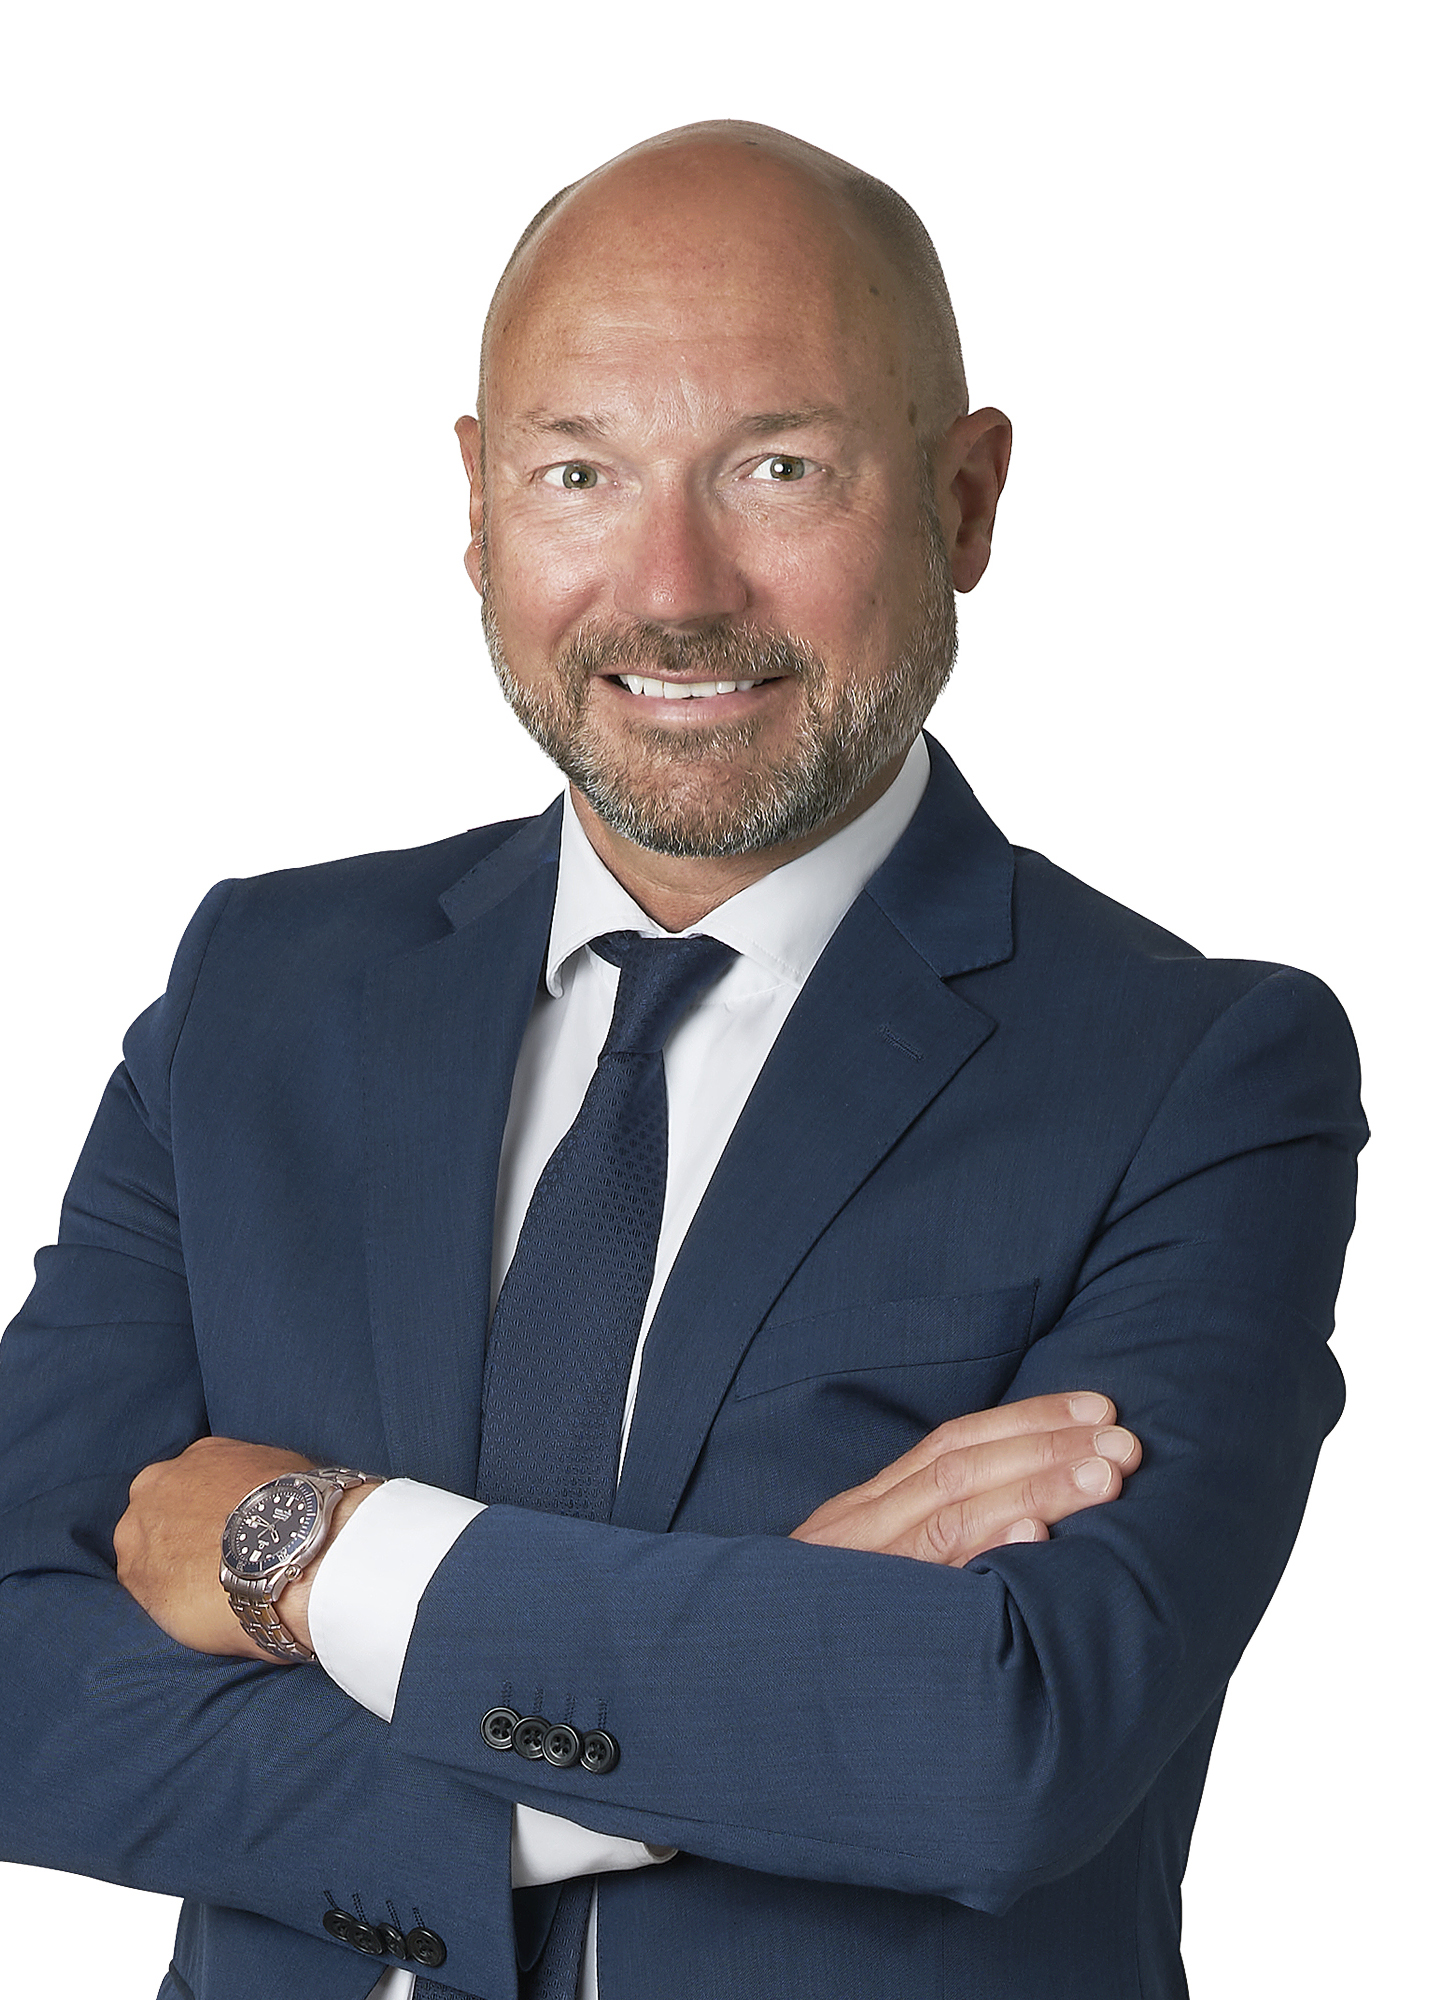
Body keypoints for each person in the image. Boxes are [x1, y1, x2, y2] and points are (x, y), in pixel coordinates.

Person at [0, 120, 1366, 2000]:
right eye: (578, 471)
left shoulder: (1195, 1076)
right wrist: (752, 1678)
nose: (671, 586)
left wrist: (314, 1551)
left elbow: (998, 1742)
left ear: (964, 500)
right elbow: (17, 1664)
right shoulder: (262, 992)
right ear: (477, 502)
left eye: (778, 468)